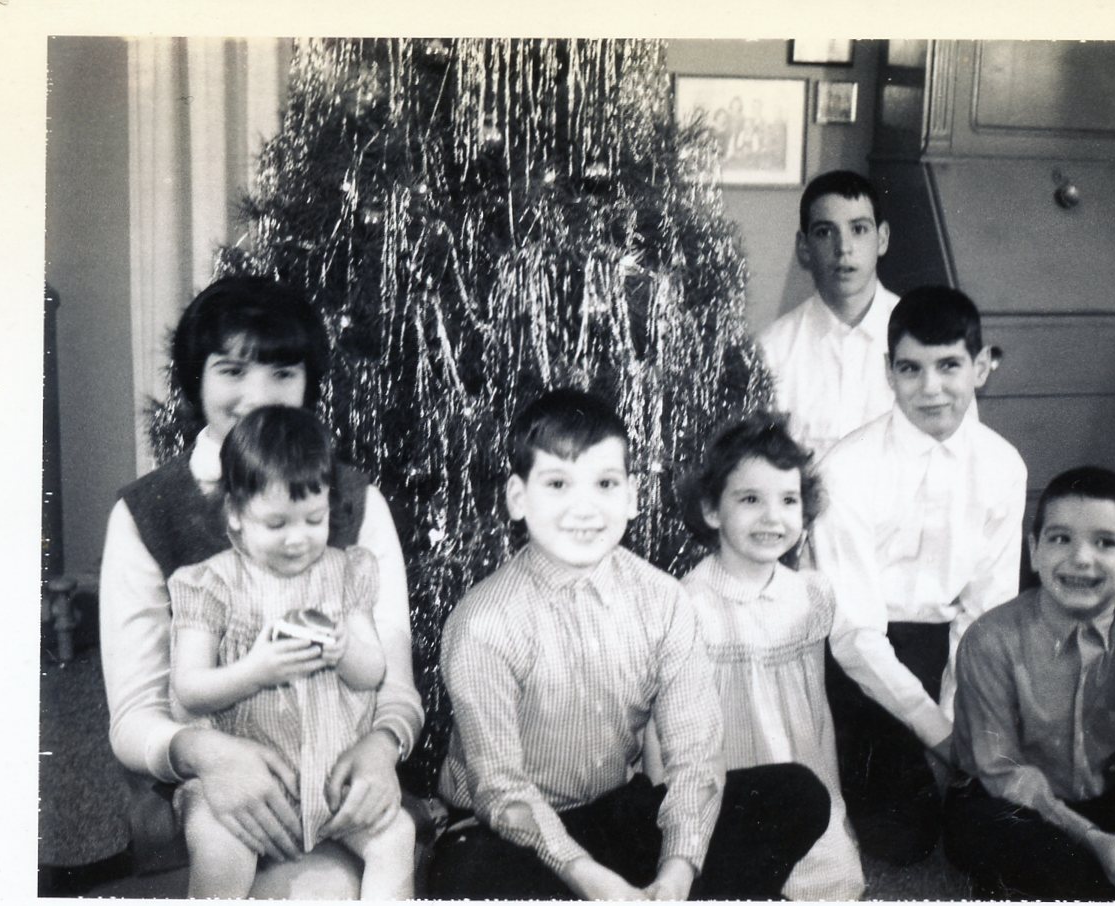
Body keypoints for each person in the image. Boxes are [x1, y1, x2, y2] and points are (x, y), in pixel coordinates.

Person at [427, 388, 830, 901]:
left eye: (605, 484)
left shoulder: (663, 599)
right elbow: (501, 790)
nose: (584, 508)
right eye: (558, 484)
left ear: (632, 496)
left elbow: (695, 756)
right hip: (508, 830)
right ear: (518, 498)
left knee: (797, 794)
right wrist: (593, 881)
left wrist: (678, 870)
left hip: (613, 813)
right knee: (467, 876)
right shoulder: (483, 621)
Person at [99, 276, 423, 897]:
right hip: (204, 788)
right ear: (196, 379)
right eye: (232, 370)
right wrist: (210, 757)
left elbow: (390, 680)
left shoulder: (355, 501)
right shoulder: (147, 511)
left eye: (282, 372)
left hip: (337, 773)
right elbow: (137, 715)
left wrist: (382, 747)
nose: (257, 394)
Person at [812, 286, 1027, 865]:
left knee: (996, 817)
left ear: (981, 368)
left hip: (950, 645)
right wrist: (938, 733)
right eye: (911, 369)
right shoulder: (846, 468)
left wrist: (959, 717)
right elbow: (854, 635)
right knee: (901, 839)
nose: (931, 389)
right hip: (858, 654)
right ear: (889, 371)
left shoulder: (1003, 466)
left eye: (949, 366)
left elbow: (985, 615)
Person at [168, 406, 414, 899]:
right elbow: (187, 691)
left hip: (333, 777)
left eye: (314, 519)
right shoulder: (211, 584)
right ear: (235, 514)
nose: (298, 538)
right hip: (242, 784)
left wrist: (345, 649)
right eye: (276, 523)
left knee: (397, 836)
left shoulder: (346, 574)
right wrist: (254, 671)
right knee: (219, 848)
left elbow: (372, 673)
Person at [677, 411, 865, 900]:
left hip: (802, 780)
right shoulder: (688, 606)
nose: (772, 517)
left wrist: (836, 806)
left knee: (833, 879)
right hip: (725, 790)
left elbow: (816, 713)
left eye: (788, 500)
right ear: (712, 510)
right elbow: (668, 731)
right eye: (750, 499)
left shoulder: (810, 596)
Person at [944, 466, 1115, 900]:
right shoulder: (990, 640)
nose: (1081, 558)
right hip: (1006, 799)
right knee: (1059, 869)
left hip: (1100, 796)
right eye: (1060, 539)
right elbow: (1002, 771)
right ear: (1034, 551)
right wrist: (1090, 838)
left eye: (1105, 543)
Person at [758, 169, 898, 461]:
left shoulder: (926, 338)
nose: (843, 248)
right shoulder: (771, 352)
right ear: (804, 247)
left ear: (882, 238)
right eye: (825, 232)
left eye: (859, 229)